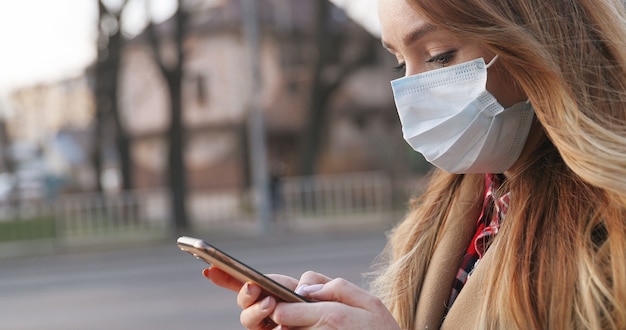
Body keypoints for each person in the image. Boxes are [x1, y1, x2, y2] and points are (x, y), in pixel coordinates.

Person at [204, 0, 626, 328]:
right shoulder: (455, 202)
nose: (412, 87)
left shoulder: (612, 226)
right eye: (398, 61)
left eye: (439, 56)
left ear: (536, 44)